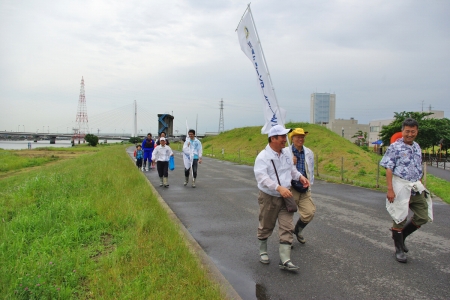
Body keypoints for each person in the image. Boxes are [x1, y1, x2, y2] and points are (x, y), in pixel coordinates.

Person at [254, 124, 310, 271]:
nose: (285, 140)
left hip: (287, 196)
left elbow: (291, 170)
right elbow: (262, 178)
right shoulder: (263, 157)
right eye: (282, 137)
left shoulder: (286, 153)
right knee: (266, 224)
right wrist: (278, 188)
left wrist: (300, 176)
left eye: (285, 136)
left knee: (287, 226)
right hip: (269, 196)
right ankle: (263, 251)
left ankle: (285, 260)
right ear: (273, 138)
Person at [380, 118, 432, 263]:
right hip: (400, 187)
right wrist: (390, 189)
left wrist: (420, 183)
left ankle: (402, 236)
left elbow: (417, 166)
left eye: (413, 131)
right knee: (400, 217)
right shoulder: (395, 147)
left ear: (417, 131)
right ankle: (399, 249)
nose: (410, 134)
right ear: (402, 131)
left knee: (423, 216)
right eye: (407, 131)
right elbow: (389, 168)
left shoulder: (417, 146)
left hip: (415, 187)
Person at [288, 128, 316, 245]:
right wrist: (289, 162)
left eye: (302, 136)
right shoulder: (286, 152)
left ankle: (298, 230)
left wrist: (310, 183)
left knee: (309, 212)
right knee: (287, 215)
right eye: (298, 136)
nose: (301, 139)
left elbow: (311, 169)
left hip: (304, 187)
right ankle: (287, 240)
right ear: (292, 138)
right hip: (290, 187)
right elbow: (279, 169)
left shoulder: (309, 152)